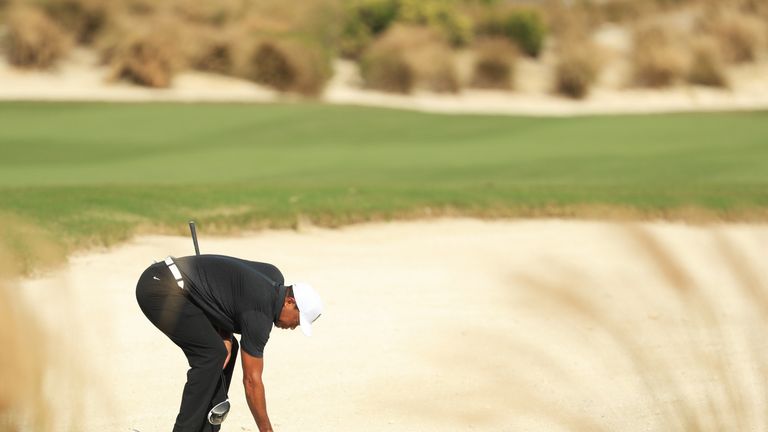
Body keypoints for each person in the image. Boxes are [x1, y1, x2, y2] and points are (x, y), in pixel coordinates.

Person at [135, 254, 323, 432]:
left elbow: (228, 289)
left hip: (176, 285)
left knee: (225, 350)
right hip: (159, 288)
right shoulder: (260, 315)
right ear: (290, 302)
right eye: (297, 321)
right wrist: (266, 430)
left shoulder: (273, 275)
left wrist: (224, 332)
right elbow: (251, 382)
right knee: (210, 354)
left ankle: (207, 429)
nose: (293, 327)